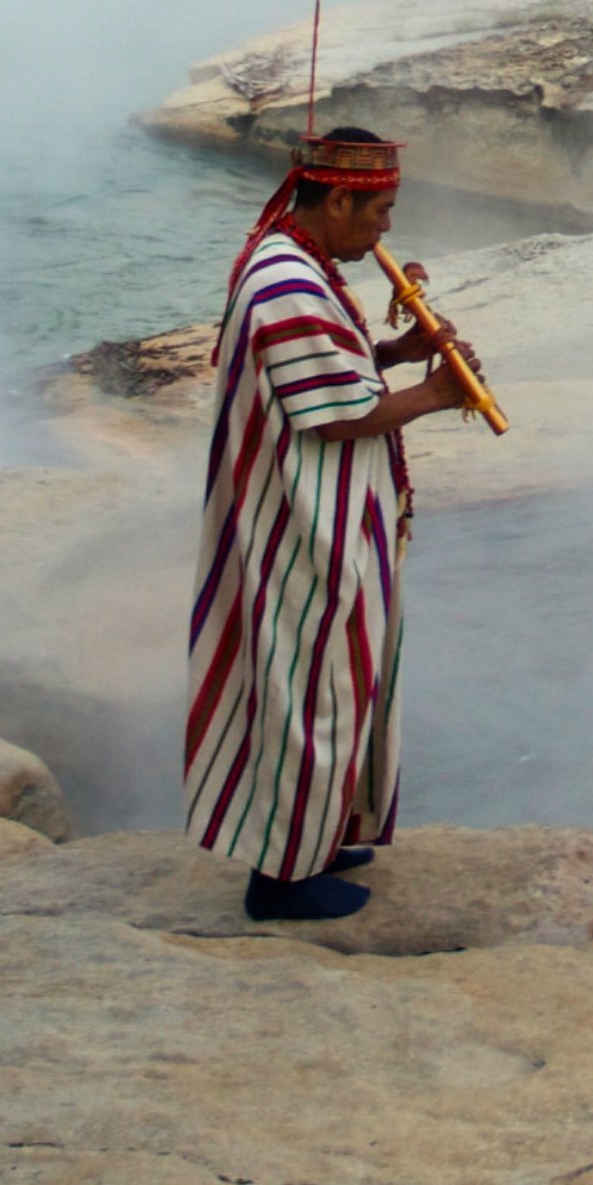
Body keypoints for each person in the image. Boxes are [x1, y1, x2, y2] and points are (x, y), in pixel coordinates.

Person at [182, 126, 485, 922]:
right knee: (310, 687)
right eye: (379, 210)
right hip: (301, 525)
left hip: (327, 512)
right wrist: (440, 394)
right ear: (339, 199)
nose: (387, 228)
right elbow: (332, 413)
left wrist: (398, 350)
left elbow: (332, 371)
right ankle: (282, 876)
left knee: (342, 678)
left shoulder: (299, 262)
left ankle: (319, 834)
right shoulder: (285, 281)